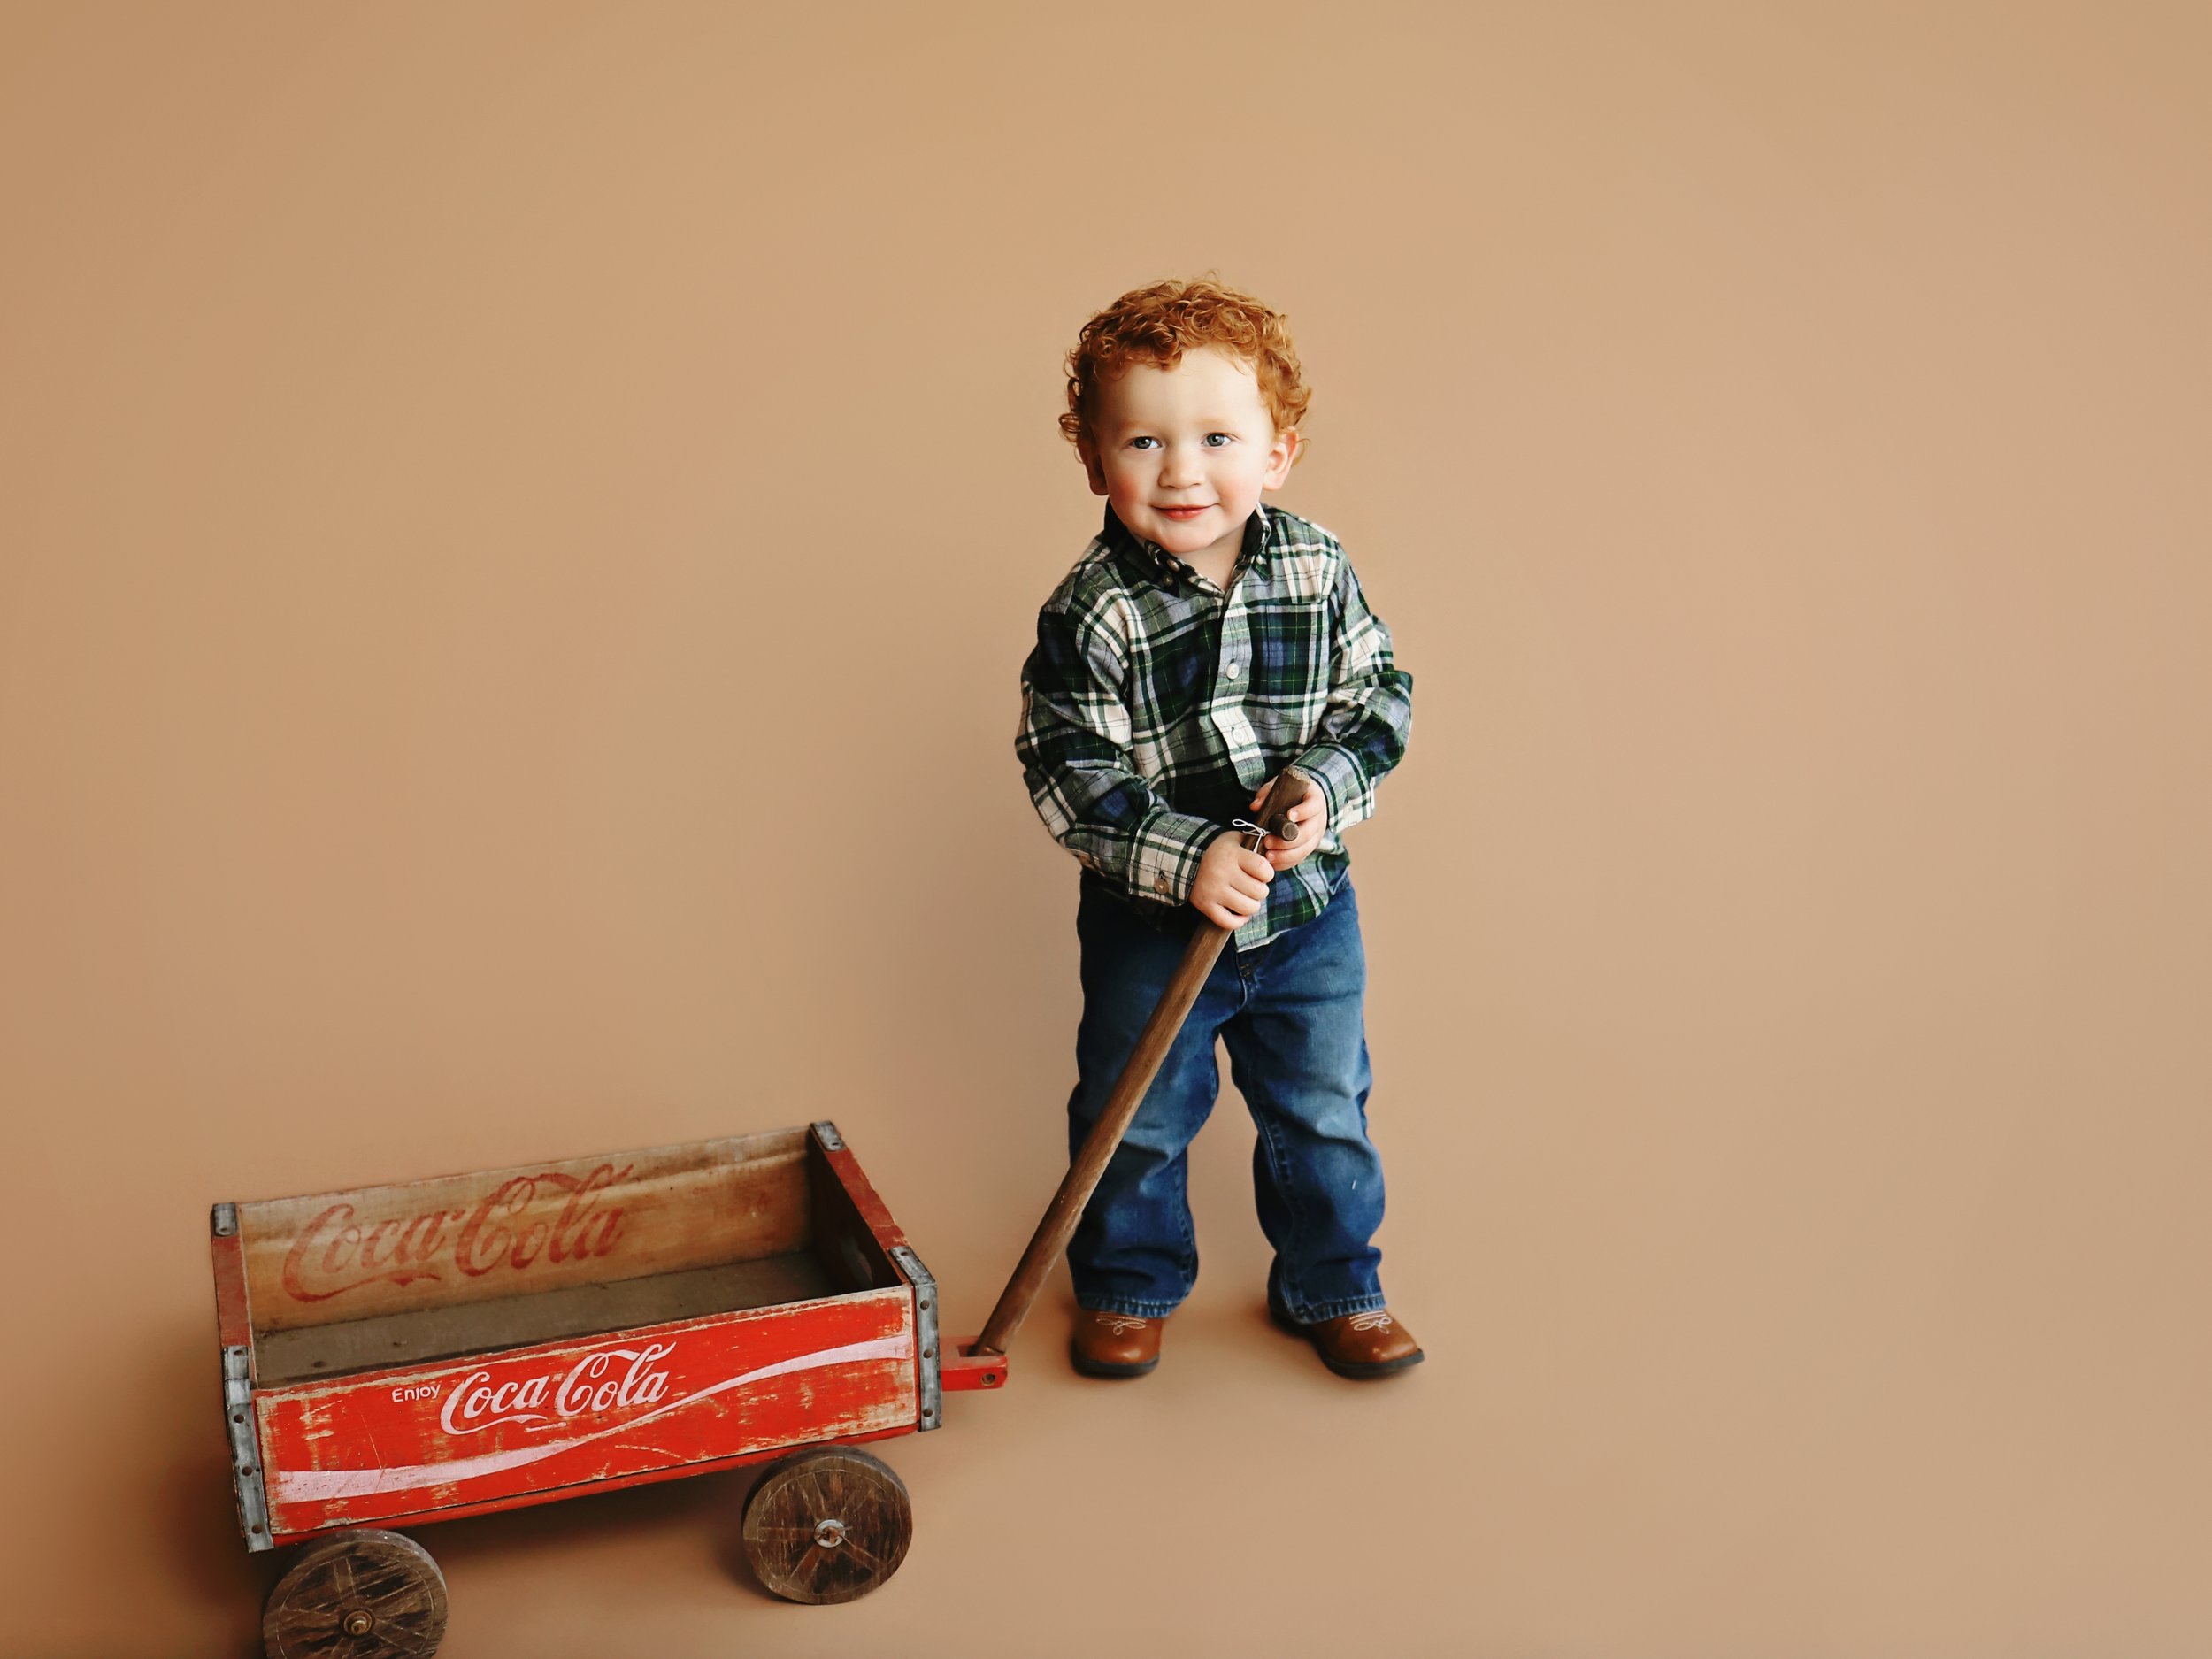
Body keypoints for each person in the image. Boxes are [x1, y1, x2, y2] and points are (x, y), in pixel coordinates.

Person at [1016, 276, 1422, 1381]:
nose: (1182, 471)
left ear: (1276, 453)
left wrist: (1324, 786)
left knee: (1324, 1107)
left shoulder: (1315, 566)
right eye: (1143, 441)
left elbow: (1377, 697)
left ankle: (1335, 1283)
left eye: (1215, 438)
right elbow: (1068, 767)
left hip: (1306, 915)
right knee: (1136, 1112)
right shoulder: (1091, 609)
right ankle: (1128, 1284)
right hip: (1154, 924)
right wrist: (1187, 856)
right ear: (1096, 462)